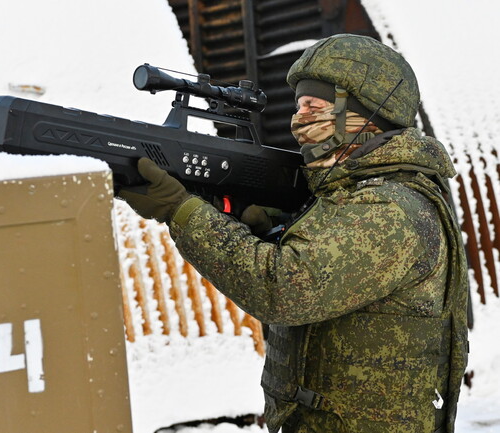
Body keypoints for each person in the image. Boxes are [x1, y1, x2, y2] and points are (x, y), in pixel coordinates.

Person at [119, 34, 468, 433]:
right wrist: (270, 228)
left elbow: (284, 288)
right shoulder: (341, 196)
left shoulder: (389, 208)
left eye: (314, 106)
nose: (298, 119)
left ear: (362, 117)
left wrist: (181, 211)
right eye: (298, 105)